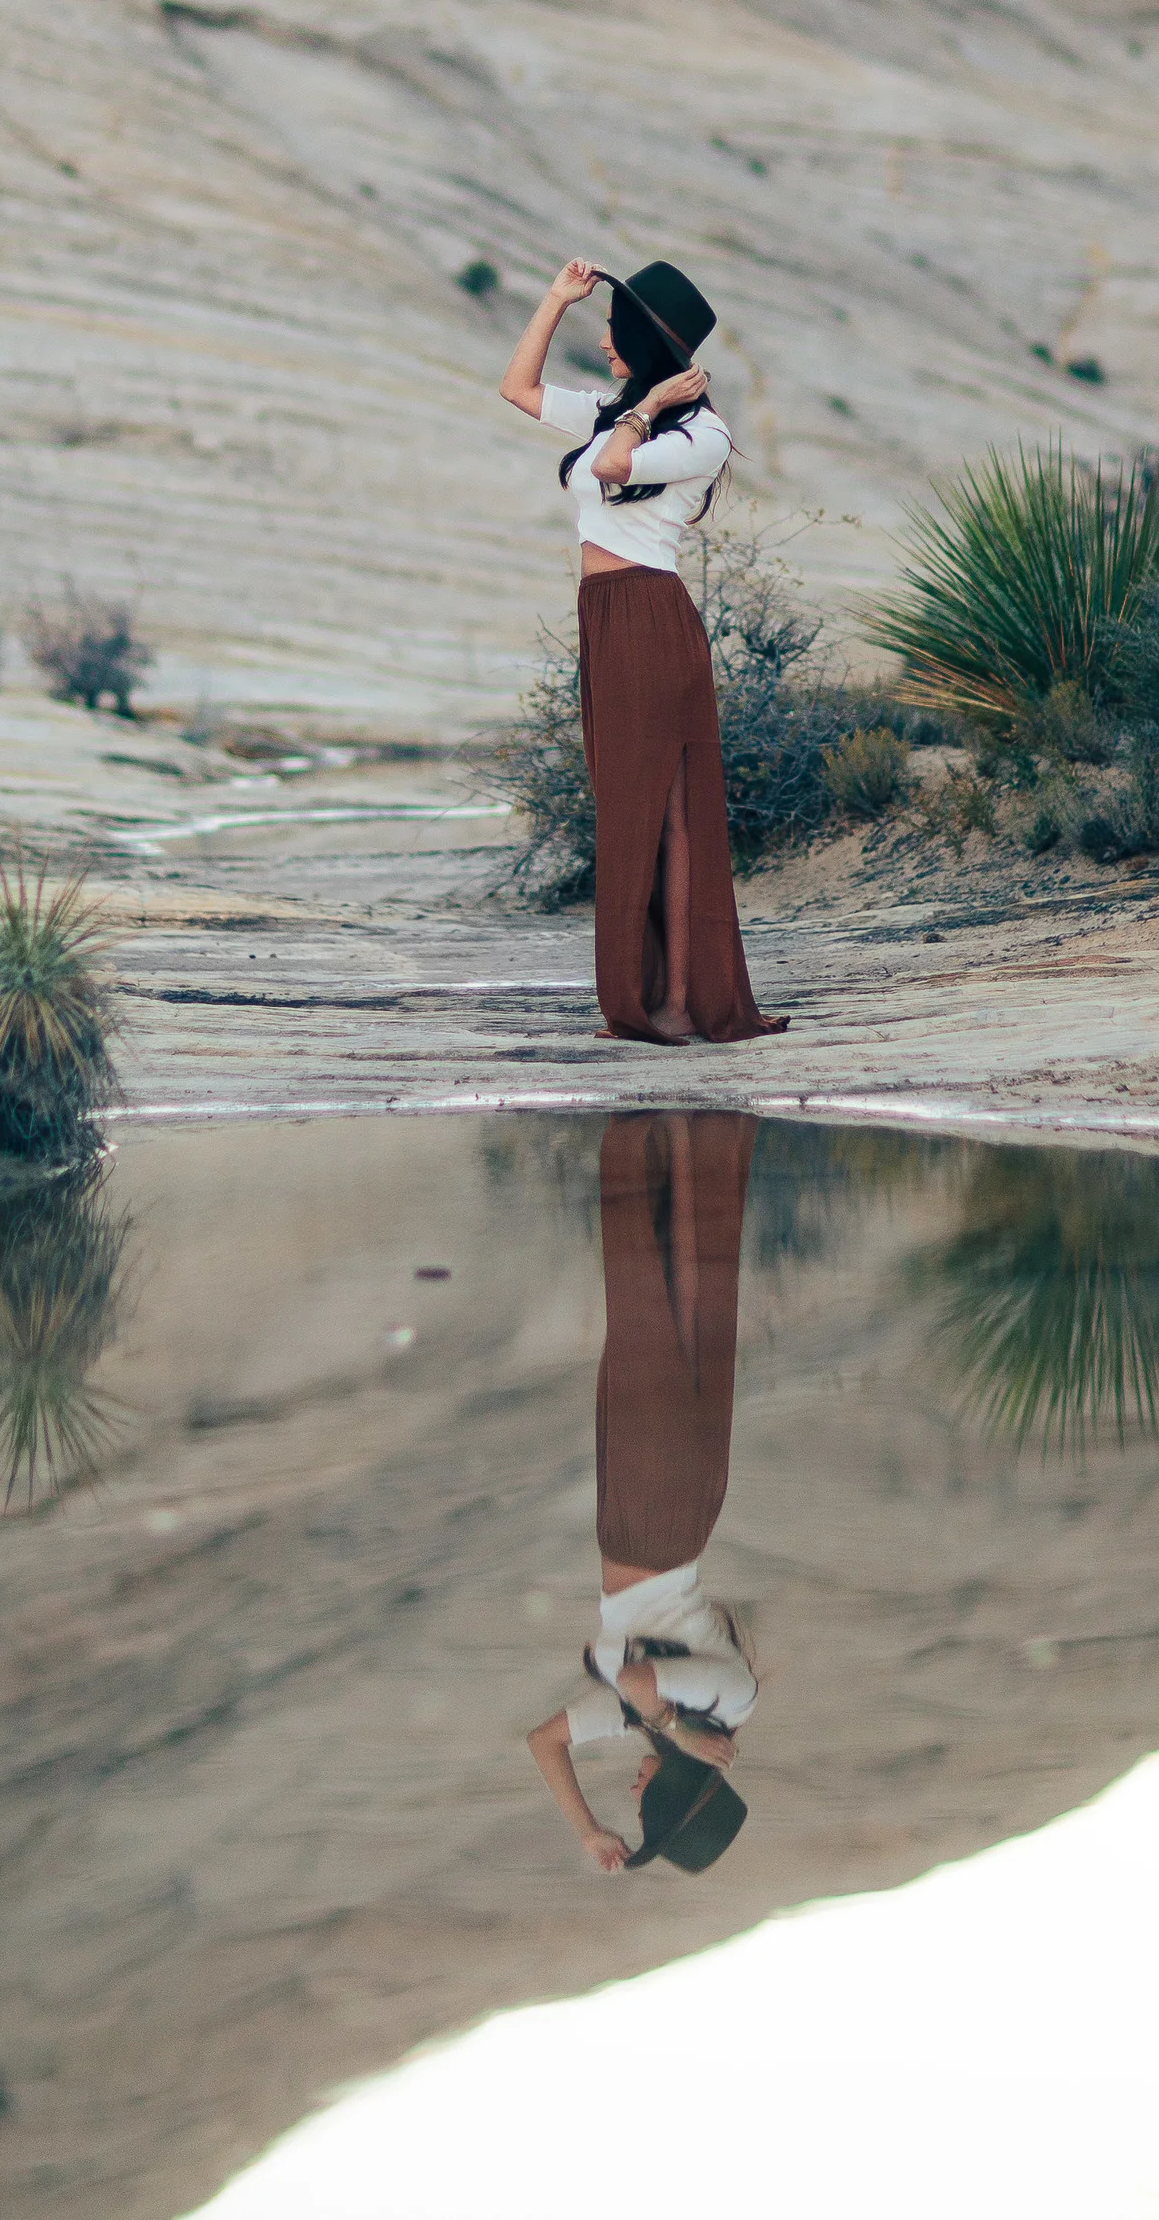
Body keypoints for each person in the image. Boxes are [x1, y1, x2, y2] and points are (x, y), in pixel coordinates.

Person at [499, 256, 783, 1044]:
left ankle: (679, 1002)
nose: (606, 345)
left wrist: (654, 403)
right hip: (604, 616)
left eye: (618, 335)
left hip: (652, 617)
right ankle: (651, 994)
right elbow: (516, 390)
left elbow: (621, 466)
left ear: (651, 349)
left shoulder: (702, 432)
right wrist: (555, 299)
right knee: (630, 811)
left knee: (670, 817)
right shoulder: (610, 409)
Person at [525, 1114, 761, 1876]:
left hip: (634, 1523)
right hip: (661, 1522)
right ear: (683, 1785)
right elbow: (635, 1678)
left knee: (643, 1324)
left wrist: (587, 1832)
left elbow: (544, 1742)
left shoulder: (651, 1724)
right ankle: (688, 1135)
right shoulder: (727, 1705)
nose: (632, 1791)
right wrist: (682, 1733)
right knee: (663, 1319)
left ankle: (654, 1134)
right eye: (642, 1802)